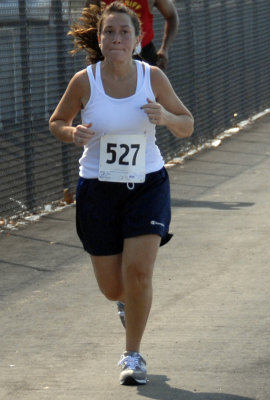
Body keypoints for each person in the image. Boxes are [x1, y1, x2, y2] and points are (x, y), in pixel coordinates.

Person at [49, 2, 193, 385]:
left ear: (137, 39)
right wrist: (71, 133)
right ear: (99, 39)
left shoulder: (153, 78)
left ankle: (133, 356)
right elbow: (57, 122)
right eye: (109, 32)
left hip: (146, 184)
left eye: (124, 32)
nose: (116, 38)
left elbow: (187, 125)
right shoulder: (85, 81)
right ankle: (125, 304)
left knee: (140, 272)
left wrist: (166, 117)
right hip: (98, 188)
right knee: (115, 287)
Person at [85, 0, 179, 69]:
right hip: (110, 52)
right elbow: (89, 18)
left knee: (148, 93)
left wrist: (164, 49)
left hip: (143, 53)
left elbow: (172, 16)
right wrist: (94, 51)